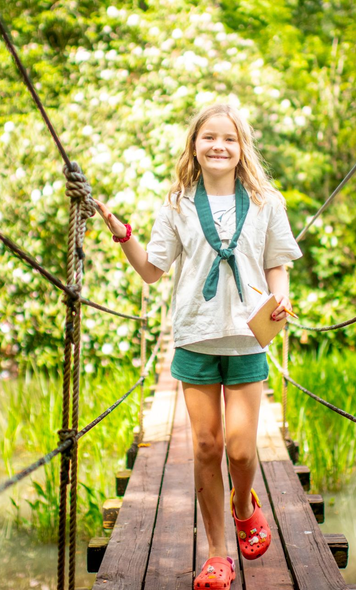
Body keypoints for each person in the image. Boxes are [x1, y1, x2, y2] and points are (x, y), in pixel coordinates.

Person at [96, 103, 302, 589]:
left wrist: (282, 295)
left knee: (241, 450)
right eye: (208, 137)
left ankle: (245, 504)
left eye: (228, 139)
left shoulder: (267, 201)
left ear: (241, 147)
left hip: (249, 335)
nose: (218, 146)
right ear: (195, 144)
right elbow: (152, 269)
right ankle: (216, 554)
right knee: (207, 447)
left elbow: (278, 262)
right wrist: (122, 235)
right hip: (195, 334)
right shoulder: (177, 204)